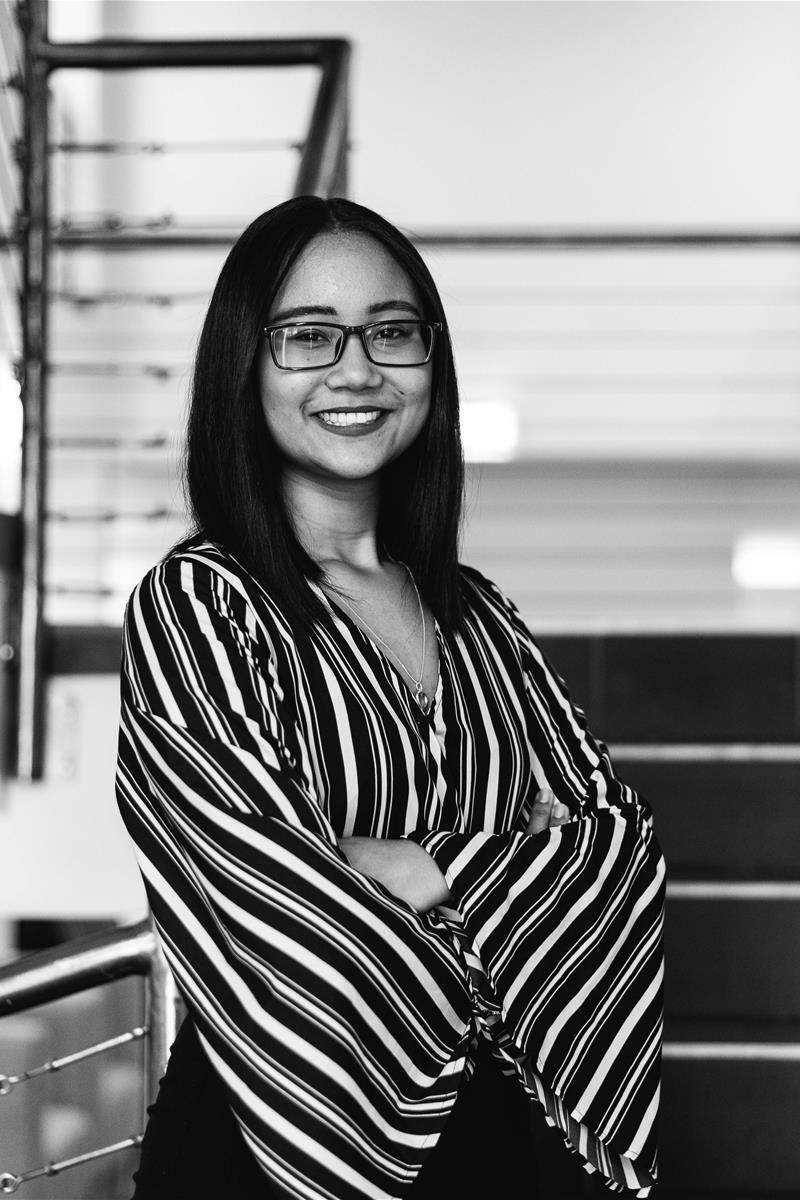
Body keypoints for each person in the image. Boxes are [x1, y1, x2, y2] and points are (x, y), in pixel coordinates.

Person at [116, 196, 665, 1200]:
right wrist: (506, 872)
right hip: (268, 1139)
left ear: (431, 359)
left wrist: (412, 867)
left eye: (392, 331)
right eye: (308, 335)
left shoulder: (481, 616)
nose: (357, 369)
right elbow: (270, 897)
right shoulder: (200, 603)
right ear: (244, 363)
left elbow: (613, 859)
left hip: (489, 1148)